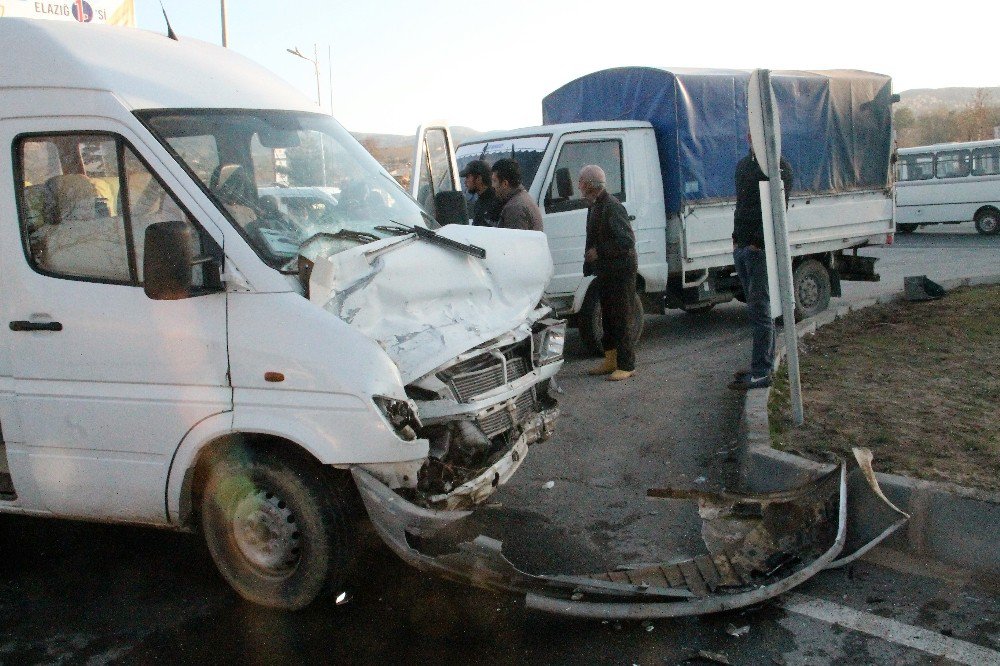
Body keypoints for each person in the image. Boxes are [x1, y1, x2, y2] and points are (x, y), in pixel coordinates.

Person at [728, 137, 793, 391]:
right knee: (755, 312)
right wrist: (736, 240)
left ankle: (763, 370)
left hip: (758, 251)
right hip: (742, 247)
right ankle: (760, 365)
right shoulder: (744, 166)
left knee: (761, 310)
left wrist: (758, 243)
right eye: (750, 135)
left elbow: (778, 210)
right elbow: (741, 206)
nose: (753, 139)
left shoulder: (778, 168)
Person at [580, 164, 638, 381]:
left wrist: (599, 252)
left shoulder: (612, 206)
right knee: (608, 318)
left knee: (621, 318)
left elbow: (627, 241)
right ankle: (611, 359)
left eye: (580, 182)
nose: (578, 186)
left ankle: (627, 364)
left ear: (588, 184)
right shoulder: (595, 205)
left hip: (621, 272)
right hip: (607, 271)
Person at [491, 158, 544, 231]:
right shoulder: (522, 197)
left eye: (494, 181)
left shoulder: (515, 207)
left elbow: (515, 241)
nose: (492, 186)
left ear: (505, 183)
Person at [460, 159, 501, 227]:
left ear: (479, 178)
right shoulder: (479, 202)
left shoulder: (495, 203)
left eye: (467, 177)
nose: (465, 182)